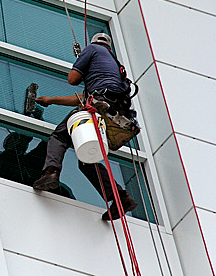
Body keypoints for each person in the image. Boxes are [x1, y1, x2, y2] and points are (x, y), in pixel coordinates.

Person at [32, 33, 137, 220]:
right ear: (110, 47)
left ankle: (51, 173)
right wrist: (51, 100)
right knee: (86, 159)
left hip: (99, 104)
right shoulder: (115, 66)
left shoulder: (92, 50)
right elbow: (82, 98)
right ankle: (121, 198)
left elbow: (73, 79)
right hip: (114, 109)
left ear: (93, 44)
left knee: (60, 136)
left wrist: (81, 62)